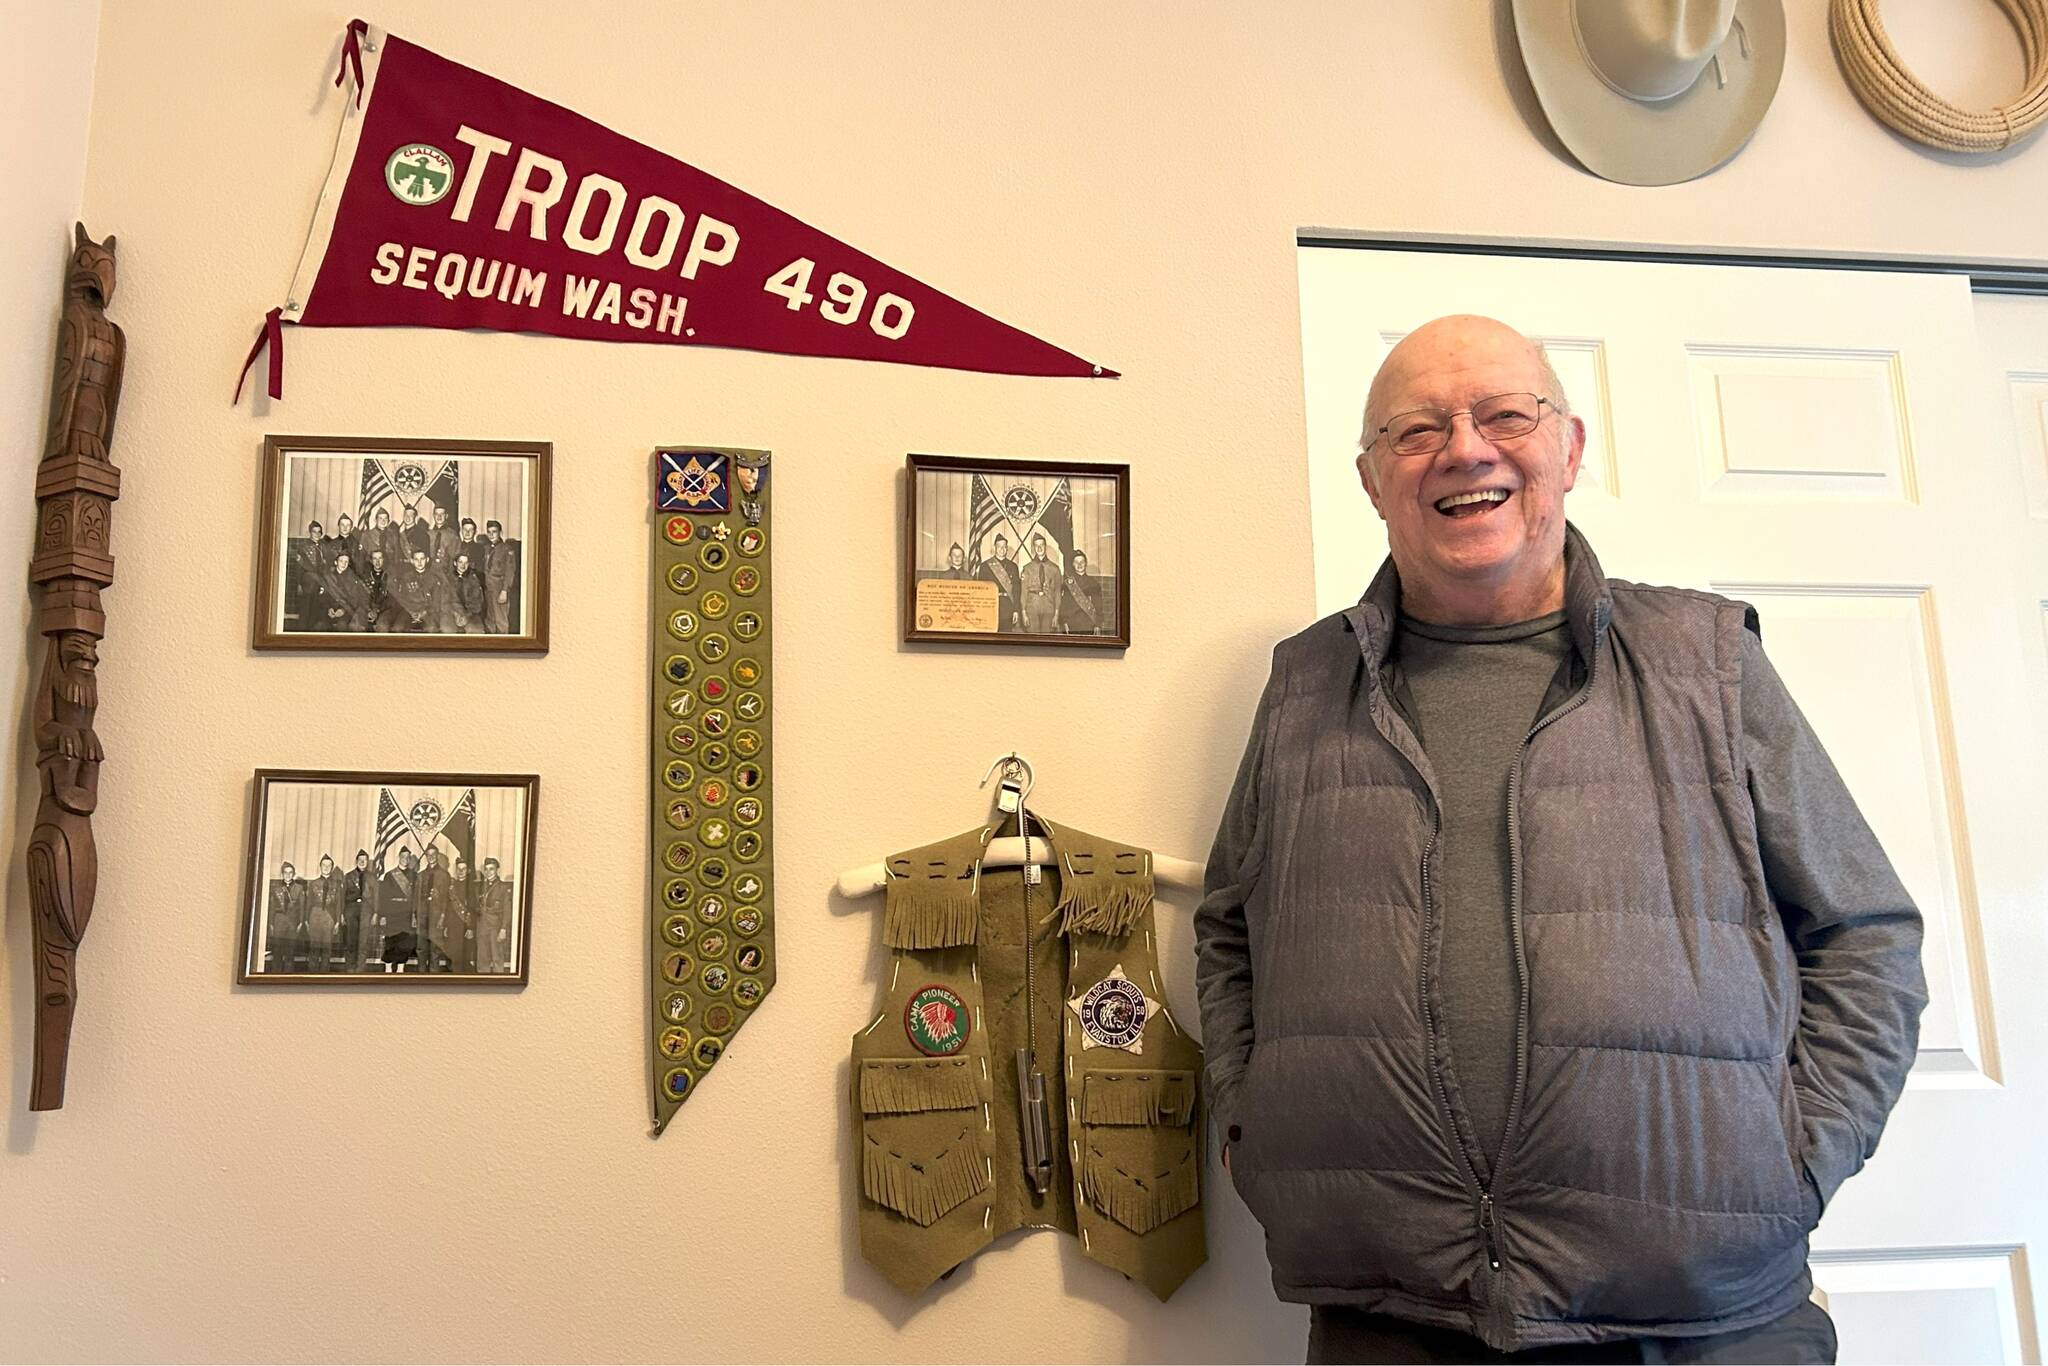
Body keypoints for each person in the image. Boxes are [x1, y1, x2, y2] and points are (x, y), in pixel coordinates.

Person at [1194, 315, 1926, 1364]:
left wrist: (1792, 1162)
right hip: (1389, 1318)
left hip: (1704, 1323)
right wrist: (1248, 1132)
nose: (1463, 448)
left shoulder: (1706, 663)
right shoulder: (1306, 687)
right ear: (1368, 477)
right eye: (1414, 430)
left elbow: (1864, 932)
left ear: (1568, 448)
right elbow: (1229, 929)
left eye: (1502, 413)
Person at [380, 847, 421, 970]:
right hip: (392, 912)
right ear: (399, 857)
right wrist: (383, 915)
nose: (406, 859)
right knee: (390, 939)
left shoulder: (414, 876)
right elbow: (384, 897)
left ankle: (400, 968)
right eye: (403, 856)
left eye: (408, 857)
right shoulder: (389, 875)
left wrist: (414, 914)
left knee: (404, 941)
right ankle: (388, 967)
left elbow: (416, 897)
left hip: (406, 913)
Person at [265, 861, 307, 972]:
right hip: (279, 920)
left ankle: (288, 975)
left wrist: (301, 922)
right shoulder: (276, 888)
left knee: (290, 951)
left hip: (292, 922)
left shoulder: (299, 888)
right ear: (282, 874)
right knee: (277, 950)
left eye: (290, 873)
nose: (288, 875)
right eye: (285, 873)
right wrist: (271, 923)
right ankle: (274, 976)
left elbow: (302, 907)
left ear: (293, 874)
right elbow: (272, 907)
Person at [306, 853, 343, 972]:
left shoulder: (337, 884)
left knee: (327, 948)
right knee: (314, 947)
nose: (326, 868)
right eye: (324, 865)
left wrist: (337, 921)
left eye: (329, 865)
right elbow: (309, 902)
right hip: (315, 915)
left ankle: (324, 975)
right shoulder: (313, 883)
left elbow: (338, 904)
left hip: (329, 916)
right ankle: (311, 976)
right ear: (320, 867)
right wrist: (306, 920)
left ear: (332, 868)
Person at [476, 857, 513, 973]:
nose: (488, 872)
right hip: (482, 926)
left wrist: (503, 929)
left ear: (497, 870)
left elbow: (507, 910)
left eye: (491, 869)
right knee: (482, 959)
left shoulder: (503, 887)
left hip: (495, 926)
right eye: (486, 869)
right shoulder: (481, 887)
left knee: (497, 957)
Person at [1019, 532, 1062, 633]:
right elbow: (1023, 592)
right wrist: (1024, 613)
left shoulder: (1055, 569)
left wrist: (1056, 614)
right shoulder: (1027, 568)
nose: (1039, 548)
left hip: (1049, 606)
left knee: (1047, 638)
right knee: (1033, 638)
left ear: (1045, 546)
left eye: (1041, 545)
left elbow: (1057, 593)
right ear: (1034, 548)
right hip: (1032, 606)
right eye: (1036, 545)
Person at [419, 845, 452, 970]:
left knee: (435, 948)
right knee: (421, 948)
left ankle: (433, 977)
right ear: (426, 857)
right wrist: (415, 915)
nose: (431, 857)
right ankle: (420, 978)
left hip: (436, 916)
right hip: (423, 915)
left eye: (433, 854)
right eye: (428, 854)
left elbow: (446, 899)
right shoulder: (421, 875)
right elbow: (417, 898)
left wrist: (442, 917)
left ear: (437, 856)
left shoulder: (444, 875)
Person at [321, 551, 373, 631]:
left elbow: (354, 599)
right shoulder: (328, 577)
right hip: (330, 610)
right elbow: (324, 596)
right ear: (335, 562)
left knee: (342, 625)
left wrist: (343, 610)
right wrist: (329, 608)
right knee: (321, 625)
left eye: (346, 562)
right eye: (341, 561)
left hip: (347, 610)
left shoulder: (352, 578)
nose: (343, 564)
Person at [483, 519, 518, 634]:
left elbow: (510, 571)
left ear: (500, 533)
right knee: (490, 619)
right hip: (489, 588)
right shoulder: (487, 549)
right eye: (489, 532)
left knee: (501, 620)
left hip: (499, 587)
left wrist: (504, 590)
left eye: (494, 531)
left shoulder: (506, 549)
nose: (491, 534)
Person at [980, 533, 1022, 630]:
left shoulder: (1013, 566)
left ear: (1007, 548)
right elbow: (982, 590)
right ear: (995, 547)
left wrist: (1016, 610)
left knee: (1006, 636)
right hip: (991, 605)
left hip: (1008, 607)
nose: (1002, 549)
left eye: (1004, 546)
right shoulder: (985, 566)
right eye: (999, 546)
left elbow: (1016, 590)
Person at [1059, 549, 1104, 634]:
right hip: (1072, 625)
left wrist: (1097, 624)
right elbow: (1064, 605)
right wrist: (1064, 622)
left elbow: (1098, 605)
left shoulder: (1093, 583)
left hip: (1089, 625)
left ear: (1086, 563)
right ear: (1073, 564)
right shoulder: (1068, 584)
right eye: (1076, 562)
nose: (1079, 565)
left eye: (1082, 562)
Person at [390, 549, 437, 632]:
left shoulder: (433, 578)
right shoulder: (406, 578)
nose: (419, 562)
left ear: (427, 560)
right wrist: (410, 611)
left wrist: (424, 612)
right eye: (416, 559)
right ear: (412, 561)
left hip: (427, 612)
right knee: (398, 628)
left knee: (432, 628)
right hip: (408, 610)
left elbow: (436, 600)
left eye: (422, 559)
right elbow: (401, 598)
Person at [341, 849, 372, 970]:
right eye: (360, 860)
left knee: (363, 942)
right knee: (351, 941)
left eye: (365, 860)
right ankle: (350, 969)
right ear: (356, 861)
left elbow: (376, 896)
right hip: (351, 910)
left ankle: (360, 970)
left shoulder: (372, 877)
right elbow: (342, 896)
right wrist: (342, 913)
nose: (362, 862)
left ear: (367, 862)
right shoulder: (348, 876)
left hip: (366, 911)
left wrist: (375, 913)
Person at [448, 551, 487, 633]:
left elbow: (477, 601)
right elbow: (445, 600)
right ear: (455, 563)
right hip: (451, 613)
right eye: (460, 562)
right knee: (447, 630)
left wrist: (466, 615)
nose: (463, 565)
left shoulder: (473, 579)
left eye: (466, 563)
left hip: (470, 614)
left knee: (477, 631)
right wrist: (456, 614)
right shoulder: (448, 579)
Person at [430, 505, 460, 570]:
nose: (439, 516)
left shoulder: (452, 535)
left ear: (446, 516)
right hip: (430, 571)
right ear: (433, 516)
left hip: (446, 572)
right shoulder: (428, 534)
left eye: (442, 514)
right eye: (436, 514)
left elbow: (456, 556)